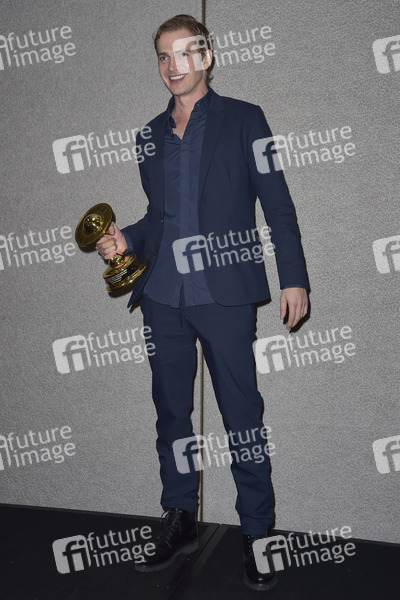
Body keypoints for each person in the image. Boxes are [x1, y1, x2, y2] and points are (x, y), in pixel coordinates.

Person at [96, 14, 309, 592]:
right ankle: (180, 518)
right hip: (163, 294)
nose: (174, 65)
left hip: (225, 295)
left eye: (185, 53)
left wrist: (293, 278)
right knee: (171, 414)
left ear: (207, 57)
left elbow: (278, 204)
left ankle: (257, 533)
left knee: (242, 415)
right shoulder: (148, 135)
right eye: (164, 56)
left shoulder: (246, 119)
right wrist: (124, 240)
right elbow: (157, 219)